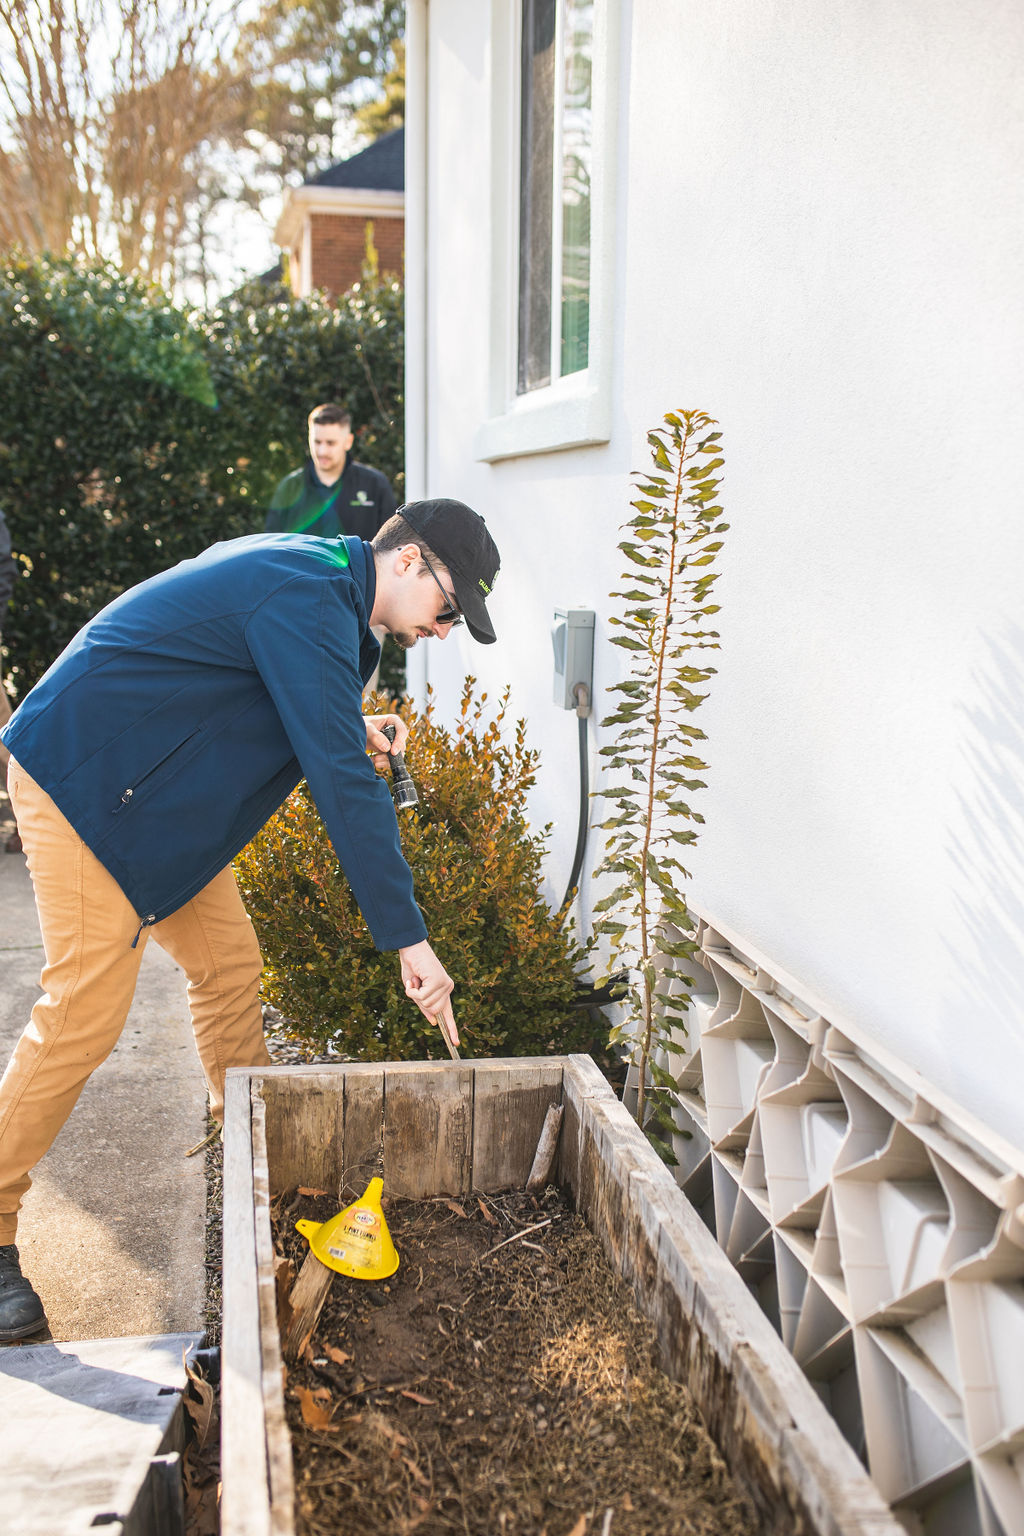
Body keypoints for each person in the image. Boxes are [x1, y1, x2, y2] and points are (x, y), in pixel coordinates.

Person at [0, 498, 499, 1341]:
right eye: (451, 609)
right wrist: (410, 940)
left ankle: (260, 1164)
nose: (447, 630)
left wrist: (351, 722)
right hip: (87, 781)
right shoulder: (307, 596)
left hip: (154, 807)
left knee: (229, 968)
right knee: (83, 1011)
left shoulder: (331, 597)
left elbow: (272, 695)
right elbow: (341, 783)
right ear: (410, 562)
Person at [264, 403, 397, 540]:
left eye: (330, 443)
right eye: (317, 442)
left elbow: (391, 543)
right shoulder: (289, 488)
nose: (322, 451)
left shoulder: (375, 484)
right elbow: (272, 543)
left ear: (348, 441)